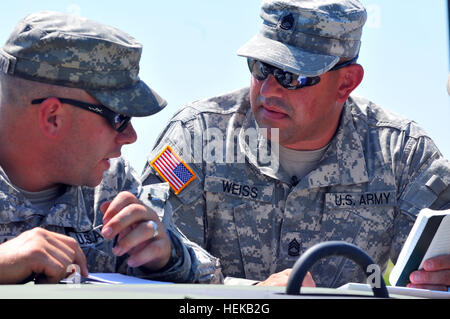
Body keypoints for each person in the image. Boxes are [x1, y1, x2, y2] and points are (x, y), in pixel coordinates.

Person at [142, 0, 450, 290]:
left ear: (346, 83)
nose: (268, 88)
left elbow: (429, 267)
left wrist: (439, 276)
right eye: (261, 66)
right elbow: (154, 261)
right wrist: (251, 296)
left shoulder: (404, 154)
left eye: (292, 75)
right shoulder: (197, 136)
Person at [0, 11, 221, 285]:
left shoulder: (113, 185)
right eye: (119, 117)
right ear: (53, 117)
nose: (131, 136)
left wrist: (168, 259)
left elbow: (212, 285)